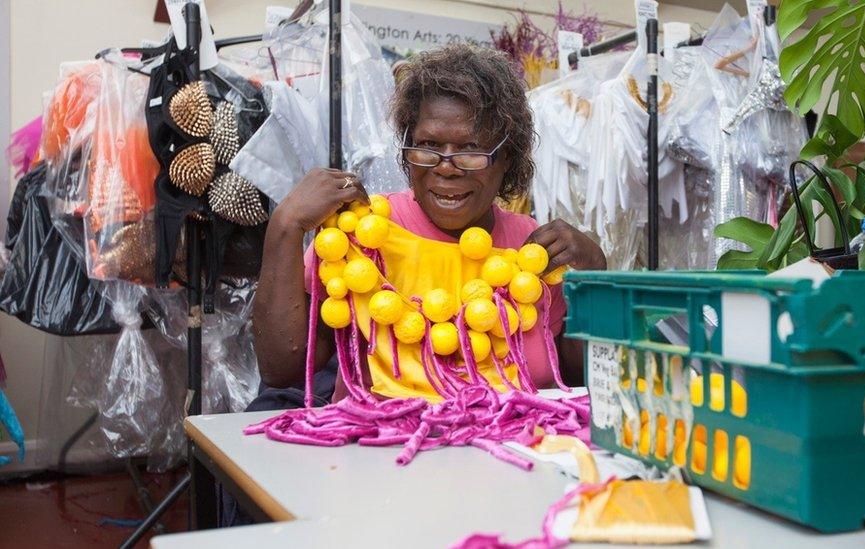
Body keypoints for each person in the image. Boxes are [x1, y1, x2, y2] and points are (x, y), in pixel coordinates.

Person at [252, 44, 607, 406]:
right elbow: (283, 370)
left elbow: (579, 381)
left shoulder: (535, 248)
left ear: (507, 157)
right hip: (376, 454)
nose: (446, 166)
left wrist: (595, 281)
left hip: (512, 455)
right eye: (427, 145)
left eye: (471, 148)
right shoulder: (361, 237)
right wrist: (286, 224)